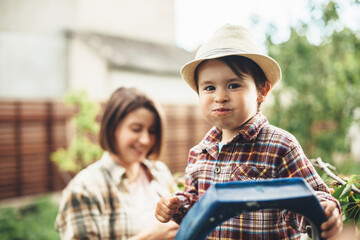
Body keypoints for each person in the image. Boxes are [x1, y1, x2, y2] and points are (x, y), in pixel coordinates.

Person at [155, 24, 343, 239]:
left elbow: (311, 196)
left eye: (233, 85)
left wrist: (327, 211)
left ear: (262, 91)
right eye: (209, 88)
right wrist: (177, 206)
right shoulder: (199, 152)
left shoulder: (279, 145)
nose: (220, 97)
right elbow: (195, 207)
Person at [55, 87, 179, 239]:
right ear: (113, 127)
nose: (146, 140)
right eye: (136, 129)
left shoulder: (159, 172)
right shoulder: (83, 190)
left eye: (152, 131)